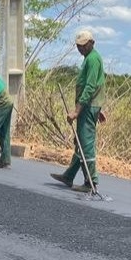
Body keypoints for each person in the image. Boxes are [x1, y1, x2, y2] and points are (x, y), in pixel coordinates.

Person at [51, 30, 106, 192]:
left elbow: (90, 86)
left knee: (86, 144)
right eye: (78, 46)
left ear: (92, 43)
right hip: (91, 106)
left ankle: (91, 182)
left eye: (83, 45)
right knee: (80, 142)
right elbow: (97, 84)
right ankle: (69, 176)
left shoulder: (93, 59)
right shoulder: (89, 59)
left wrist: (76, 111)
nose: (80, 49)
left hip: (88, 107)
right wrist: (99, 107)